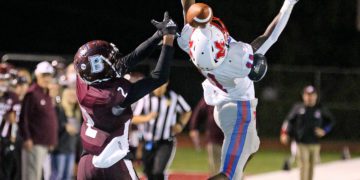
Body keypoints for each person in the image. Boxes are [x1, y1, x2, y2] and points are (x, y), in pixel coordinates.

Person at [177, 0, 299, 179]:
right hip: (239, 112)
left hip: (221, 104)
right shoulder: (238, 60)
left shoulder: (192, 44)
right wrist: (288, 4)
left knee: (252, 147)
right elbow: (270, 37)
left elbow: (188, 8)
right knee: (229, 175)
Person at [74, 12, 177, 180]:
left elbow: (129, 60)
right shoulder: (112, 94)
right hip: (113, 159)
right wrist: (168, 40)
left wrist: (158, 35)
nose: (116, 62)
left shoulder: (83, 81)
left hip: (87, 160)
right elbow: (159, 77)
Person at [135, 82, 192, 180]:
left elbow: (187, 110)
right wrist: (146, 118)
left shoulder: (174, 97)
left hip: (165, 141)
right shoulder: (145, 97)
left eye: (162, 85)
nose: (159, 89)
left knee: (158, 172)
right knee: (148, 172)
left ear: (167, 84)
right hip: (147, 141)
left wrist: (180, 124)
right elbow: (133, 118)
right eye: (157, 85)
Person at [280, 85, 335, 180]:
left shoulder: (320, 108)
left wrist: (324, 130)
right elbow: (288, 121)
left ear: (316, 96)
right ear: (303, 96)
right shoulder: (298, 108)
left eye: (312, 95)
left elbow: (331, 121)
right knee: (303, 166)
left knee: (311, 168)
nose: (309, 97)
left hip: (315, 143)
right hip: (301, 143)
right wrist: (284, 133)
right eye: (307, 95)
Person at [19, 61, 58, 180]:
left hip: (45, 143)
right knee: (31, 175)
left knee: (40, 175)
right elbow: (23, 118)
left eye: (49, 75)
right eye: (44, 75)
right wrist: (27, 138)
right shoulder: (32, 93)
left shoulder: (46, 93)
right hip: (34, 143)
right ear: (37, 76)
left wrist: (52, 139)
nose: (47, 78)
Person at [189, 97, 224, 176]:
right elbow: (199, 111)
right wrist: (194, 127)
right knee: (216, 168)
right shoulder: (211, 94)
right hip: (214, 137)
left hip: (233, 138)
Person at [0, 63, 20, 180]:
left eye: (5, 79)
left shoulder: (12, 96)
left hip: (6, 139)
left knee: (6, 172)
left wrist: (13, 138)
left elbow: (14, 119)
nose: (3, 82)